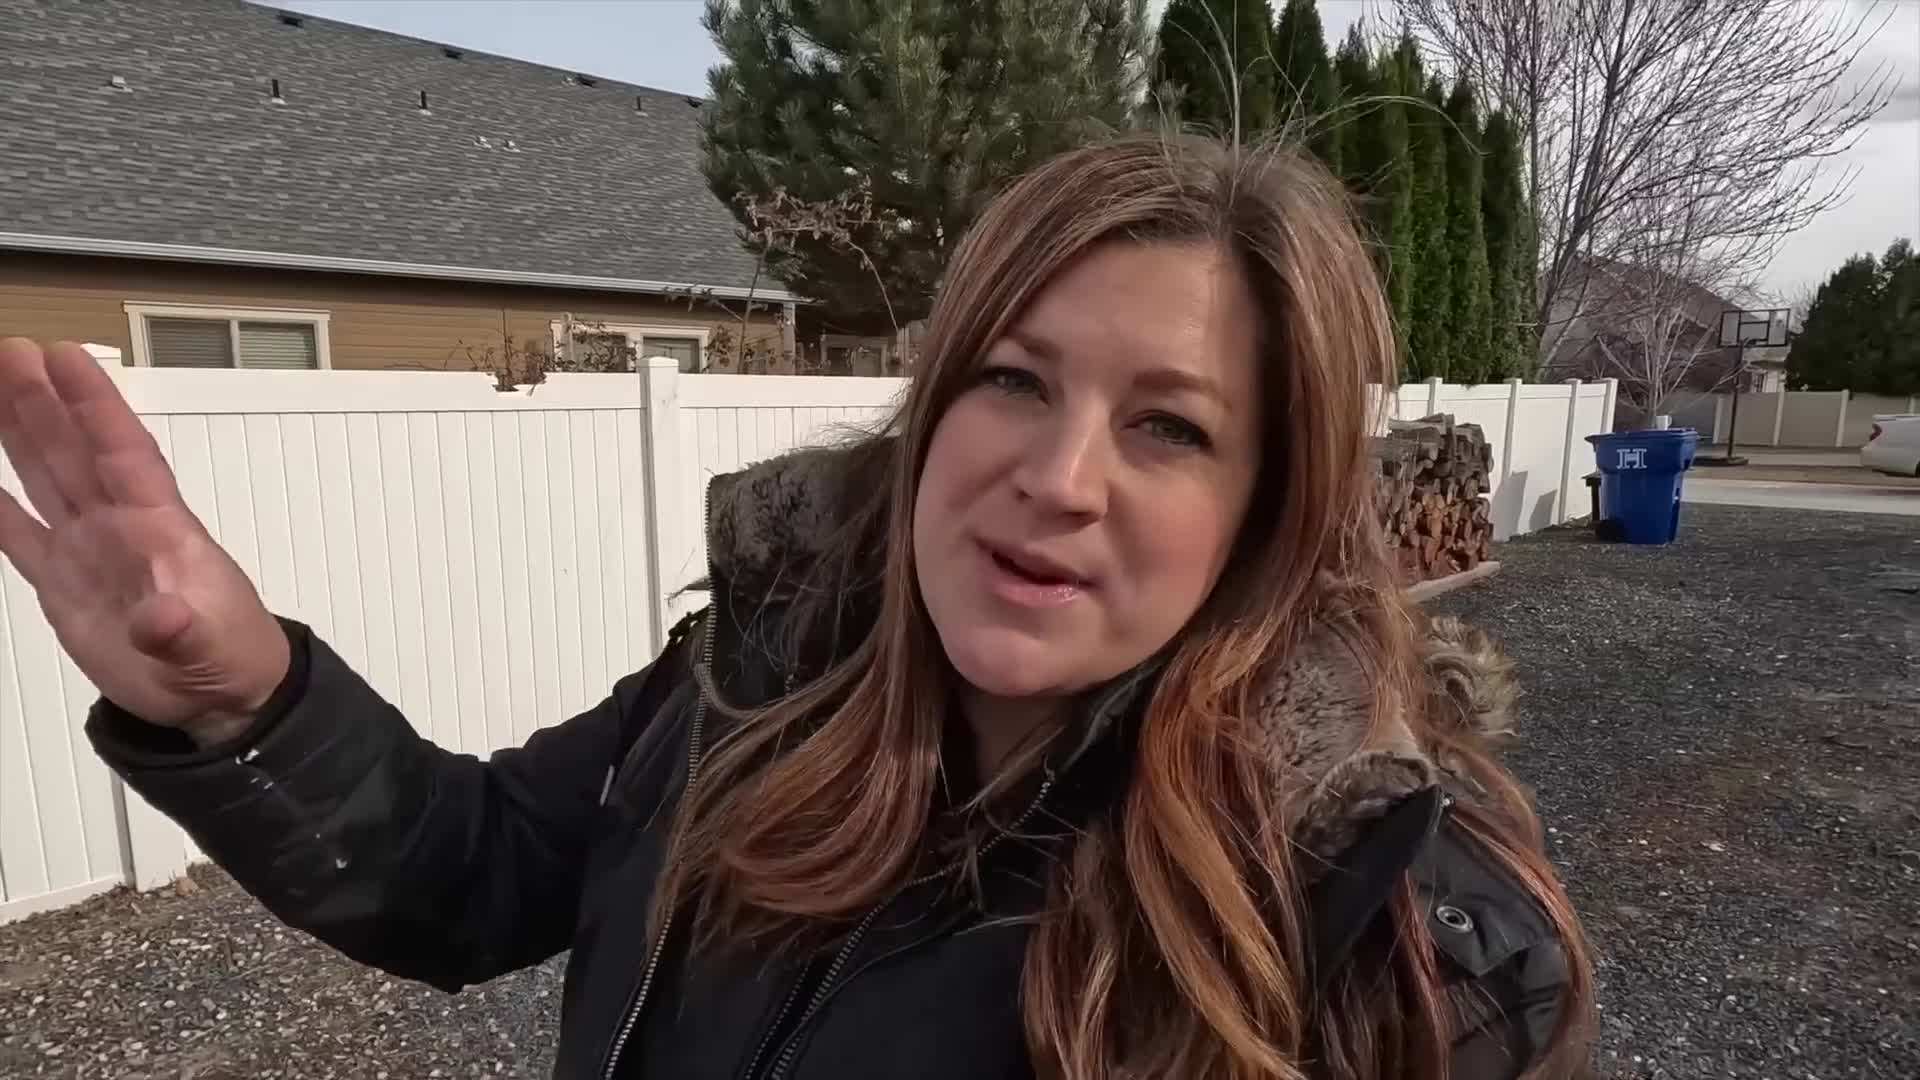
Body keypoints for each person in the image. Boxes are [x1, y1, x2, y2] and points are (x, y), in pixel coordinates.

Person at [0, 134, 1591, 1079]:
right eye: (1014, 382)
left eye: (1168, 427)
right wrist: (235, 695)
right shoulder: (760, 682)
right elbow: (463, 877)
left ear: (1267, 509)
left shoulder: (1381, 925)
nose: (1058, 475)